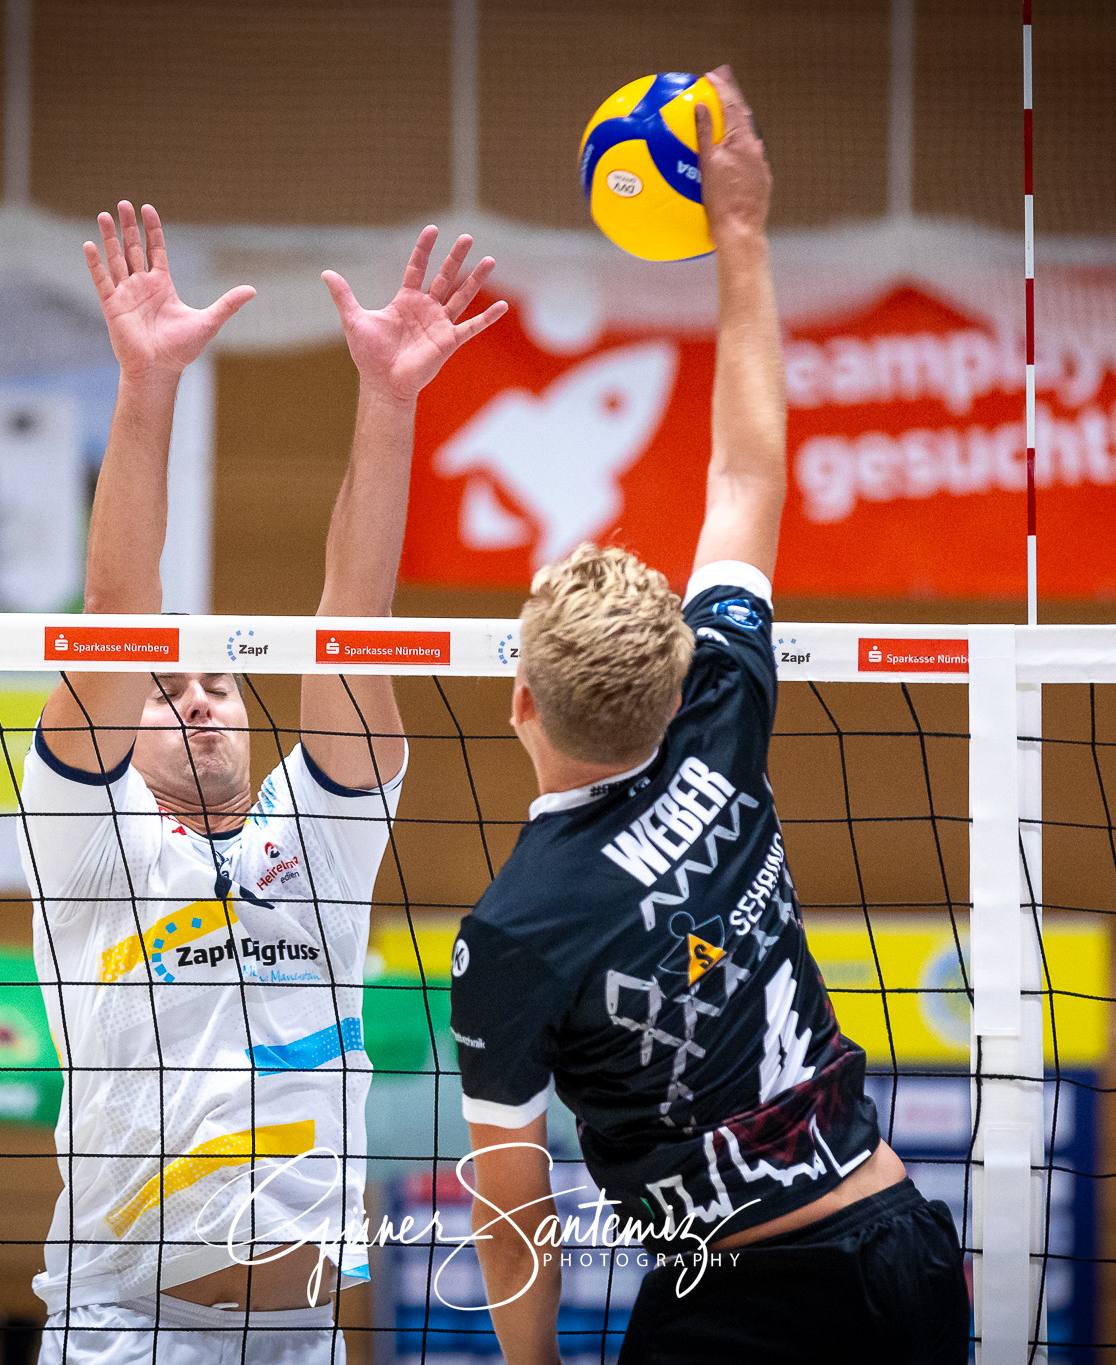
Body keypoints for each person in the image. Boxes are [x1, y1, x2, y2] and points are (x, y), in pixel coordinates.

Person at [448, 69, 970, 1365]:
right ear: (676, 687)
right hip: (903, 1247)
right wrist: (740, 227)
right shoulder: (720, 715)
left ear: (521, 699)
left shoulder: (511, 931)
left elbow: (512, 1213)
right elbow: (744, 473)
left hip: (741, 1304)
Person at [17, 201, 507, 1364]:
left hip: (301, 1339)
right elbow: (113, 613)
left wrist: (389, 401)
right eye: (165, 690)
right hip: (123, 1332)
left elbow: (354, 620)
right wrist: (146, 384)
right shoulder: (91, 841)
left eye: (220, 685)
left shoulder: (318, 831)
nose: (197, 701)